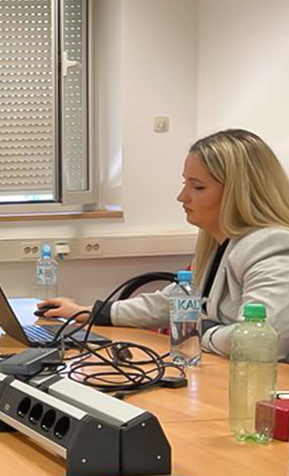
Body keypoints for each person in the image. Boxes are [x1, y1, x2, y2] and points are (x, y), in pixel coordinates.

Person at [40, 129, 289, 361]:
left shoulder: (271, 246)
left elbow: (261, 339)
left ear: (239, 192)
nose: (182, 197)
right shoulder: (217, 244)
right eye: (185, 183)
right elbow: (170, 302)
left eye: (198, 187)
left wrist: (199, 331)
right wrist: (90, 312)